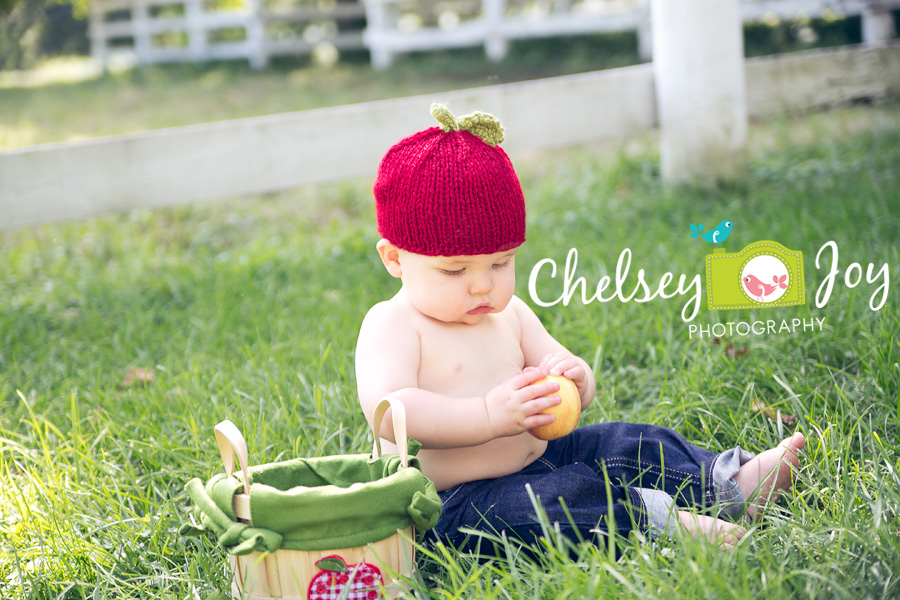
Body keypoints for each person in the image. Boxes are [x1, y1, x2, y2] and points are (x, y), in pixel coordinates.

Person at [355, 103, 805, 553]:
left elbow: (564, 370)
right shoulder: (393, 324)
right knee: (555, 505)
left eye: (500, 262)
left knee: (629, 442)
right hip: (459, 502)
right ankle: (668, 527)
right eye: (454, 272)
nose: (482, 286)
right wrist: (489, 416)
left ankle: (730, 485)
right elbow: (392, 411)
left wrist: (575, 377)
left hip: (546, 455)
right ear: (395, 259)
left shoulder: (509, 314)